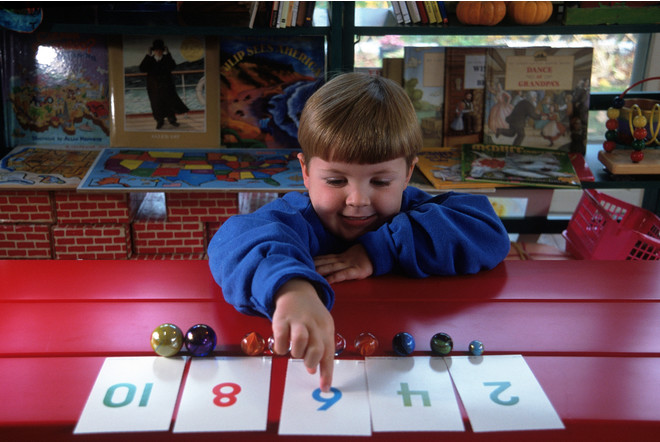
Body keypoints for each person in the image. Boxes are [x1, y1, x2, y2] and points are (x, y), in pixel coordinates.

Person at [208, 73, 510, 392]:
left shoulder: (416, 210)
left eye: (380, 182)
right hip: (309, 374)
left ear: (407, 173)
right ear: (306, 172)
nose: (358, 200)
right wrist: (291, 289)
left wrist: (379, 249)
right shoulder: (294, 217)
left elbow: (488, 230)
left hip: (407, 365)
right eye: (337, 181)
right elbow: (233, 239)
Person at [139, 39, 189, 129]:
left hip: (167, 87)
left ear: (163, 50)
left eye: (160, 50)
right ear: (153, 51)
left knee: (169, 104)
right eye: (156, 50)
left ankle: (172, 120)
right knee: (156, 105)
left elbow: (173, 66)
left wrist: (168, 53)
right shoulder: (149, 60)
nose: (158, 52)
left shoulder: (166, 59)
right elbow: (142, 68)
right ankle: (159, 121)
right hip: (154, 88)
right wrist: (147, 55)